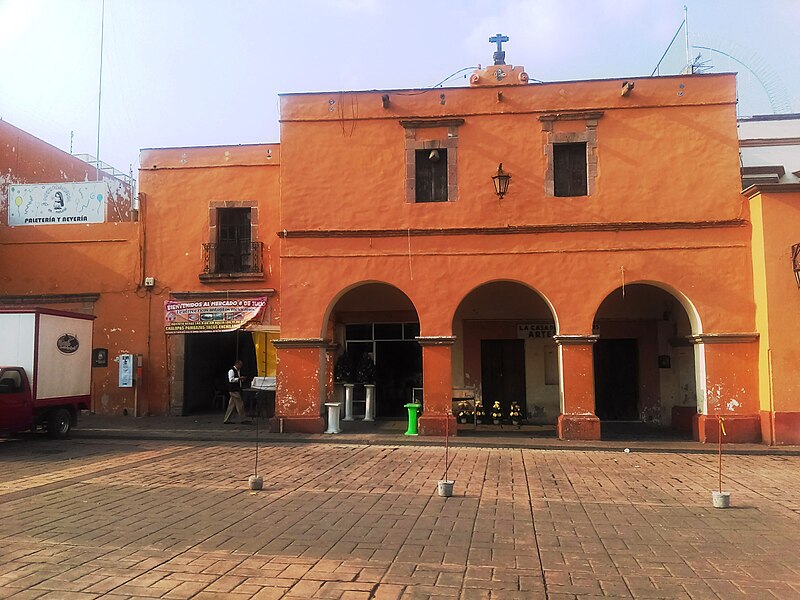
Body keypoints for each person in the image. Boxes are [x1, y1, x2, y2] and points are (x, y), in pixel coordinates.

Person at [223, 359, 249, 424]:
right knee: (240, 404)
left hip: (236, 389)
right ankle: (243, 419)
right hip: (233, 390)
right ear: (237, 364)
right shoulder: (232, 371)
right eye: (240, 365)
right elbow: (231, 380)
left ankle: (226, 419)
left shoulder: (238, 371)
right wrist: (239, 378)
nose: (241, 367)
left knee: (231, 406)